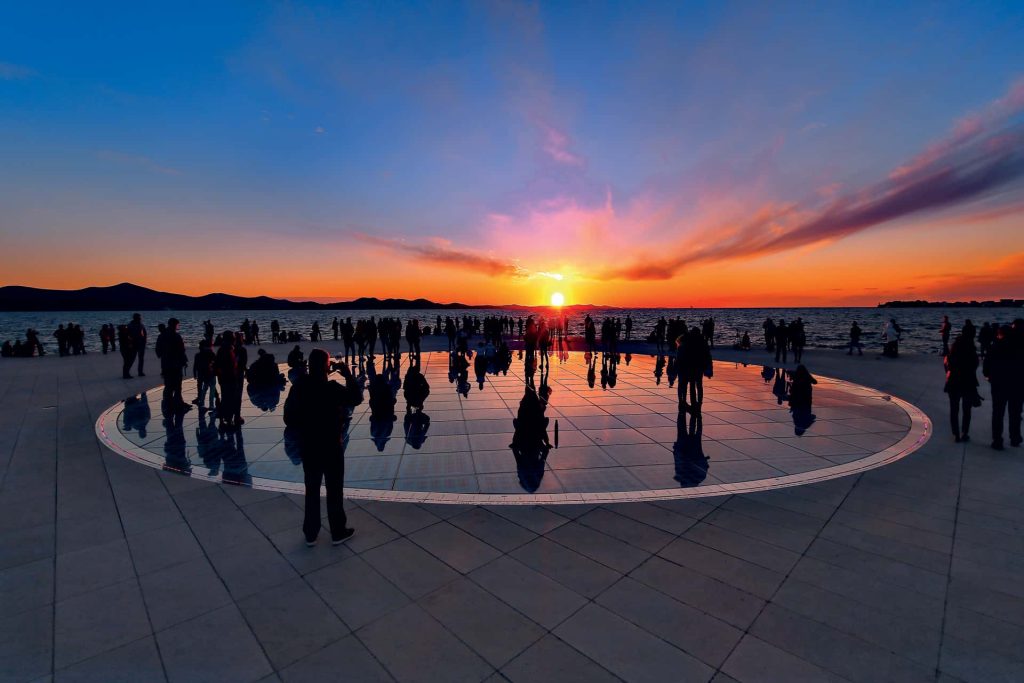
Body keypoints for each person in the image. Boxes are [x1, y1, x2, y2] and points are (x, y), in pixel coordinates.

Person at [284, 349, 362, 546]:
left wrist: (304, 425)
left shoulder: (298, 388)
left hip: (308, 446)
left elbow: (288, 418)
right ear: (328, 367)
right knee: (334, 489)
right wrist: (347, 374)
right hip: (330, 446)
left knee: (312, 489)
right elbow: (356, 398)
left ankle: (311, 533)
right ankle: (337, 531)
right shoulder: (332, 388)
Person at [984, 325, 1020, 450]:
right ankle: (1015, 437)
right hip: (1016, 384)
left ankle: (997, 440)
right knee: (1015, 412)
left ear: (999, 334)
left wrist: (988, 376)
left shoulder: (994, 347)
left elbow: (986, 365)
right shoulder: (1018, 348)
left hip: (998, 384)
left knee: (998, 413)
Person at [944, 332, 979, 443]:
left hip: (953, 383)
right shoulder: (972, 355)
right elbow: (974, 367)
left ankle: (956, 434)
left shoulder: (951, 355)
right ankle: (965, 432)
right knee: (967, 410)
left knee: (954, 409)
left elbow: (947, 368)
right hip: (968, 383)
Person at [156, 318, 190, 413]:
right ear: (175, 325)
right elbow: (181, 350)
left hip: (166, 364)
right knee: (177, 385)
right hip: (176, 364)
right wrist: (184, 361)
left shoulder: (161, 336)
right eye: (177, 325)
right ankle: (177, 404)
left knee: (168, 385)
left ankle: (169, 404)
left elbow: (158, 351)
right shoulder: (176, 336)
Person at [192, 339, 217, 411]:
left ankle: (201, 401)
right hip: (210, 373)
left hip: (202, 373)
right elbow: (215, 362)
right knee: (211, 388)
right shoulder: (210, 353)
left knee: (203, 388)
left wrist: (194, 373)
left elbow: (195, 365)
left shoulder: (198, 355)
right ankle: (211, 405)